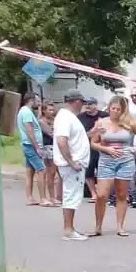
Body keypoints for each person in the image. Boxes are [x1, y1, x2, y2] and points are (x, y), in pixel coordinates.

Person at [89, 95, 136, 237]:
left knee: (122, 194)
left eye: (118, 109)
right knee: (102, 195)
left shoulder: (129, 122)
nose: (115, 111)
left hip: (125, 161)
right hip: (106, 161)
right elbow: (93, 143)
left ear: (122, 110)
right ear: (109, 108)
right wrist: (106, 149)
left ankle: (120, 226)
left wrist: (135, 148)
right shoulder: (101, 123)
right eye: (112, 108)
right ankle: (98, 226)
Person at [52, 90, 94, 241]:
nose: (83, 106)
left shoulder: (69, 118)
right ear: (76, 101)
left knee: (73, 195)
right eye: (82, 102)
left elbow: (75, 139)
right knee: (71, 195)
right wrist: (71, 162)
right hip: (71, 164)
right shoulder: (65, 117)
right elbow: (62, 141)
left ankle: (70, 227)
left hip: (75, 163)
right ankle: (68, 229)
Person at [17, 92, 50, 205]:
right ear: (31, 100)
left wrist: (40, 108)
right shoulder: (26, 112)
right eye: (37, 100)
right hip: (31, 145)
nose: (38, 102)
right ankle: (43, 198)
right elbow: (29, 130)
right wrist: (37, 147)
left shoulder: (26, 111)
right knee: (42, 170)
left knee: (30, 172)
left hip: (28, 144)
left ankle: (30, 197)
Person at [78, 97, 107, 202]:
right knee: (89, 170)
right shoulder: (81, 117)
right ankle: (93, 193)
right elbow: (81, 135)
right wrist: (94, 131)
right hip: (88, 147)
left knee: (103, 171)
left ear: (96, 105)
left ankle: (102, 193)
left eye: (90, 104)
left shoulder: (104, 115)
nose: (87, 106)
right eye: (86, 104)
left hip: (102, 147)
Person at [39, 101, 61, 205]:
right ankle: (52, 197)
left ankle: (56, 195)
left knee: (55, 173)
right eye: (49, 110)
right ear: (44, 111)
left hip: (55, 146)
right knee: (50, 173)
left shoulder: (54, 120)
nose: (52, 112)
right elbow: (51, 133)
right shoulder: (42, 121)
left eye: (53, 110)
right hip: (48, 147)